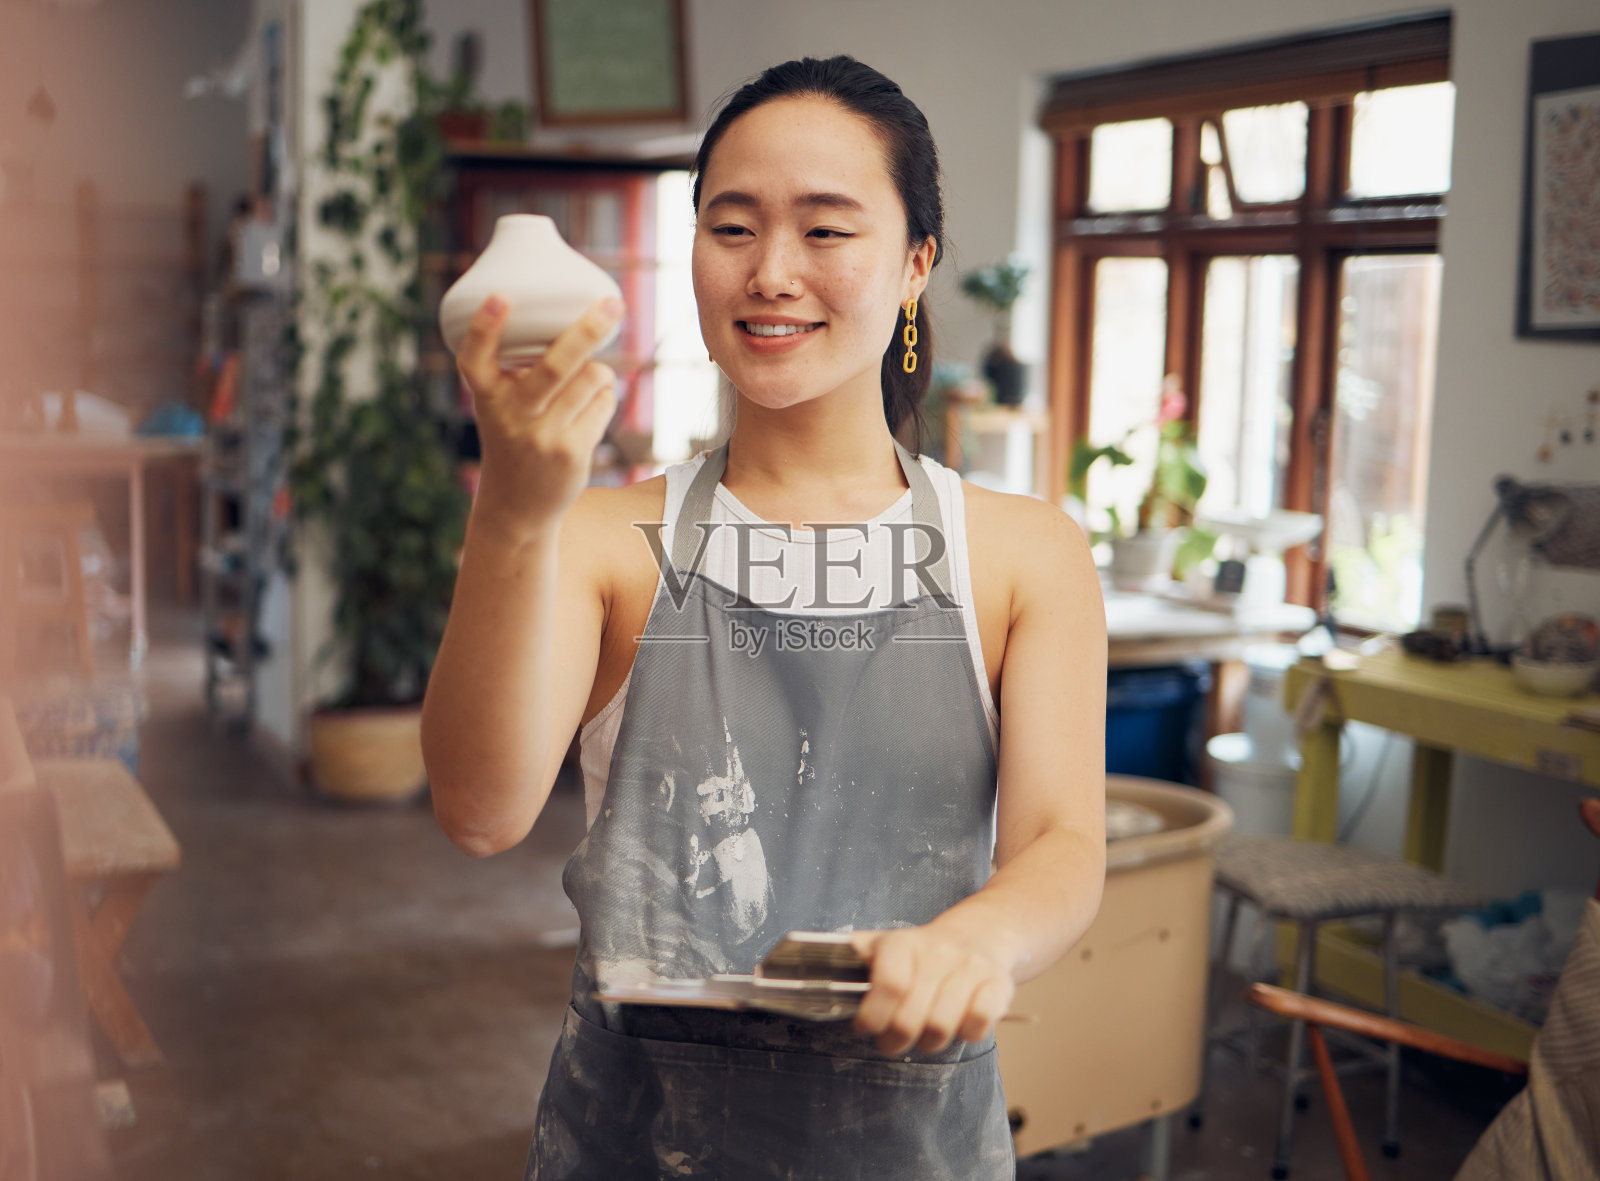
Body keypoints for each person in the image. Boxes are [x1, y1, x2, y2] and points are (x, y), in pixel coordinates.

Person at [421, 55, 1107, 1181]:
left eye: (827, 232)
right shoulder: (599, 539)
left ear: (914, 264)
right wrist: (512, 511)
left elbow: (1060, 846)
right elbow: (479, 810)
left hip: (912, 1148)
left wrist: (976, 938)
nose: (770, 272)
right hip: (630, 1142)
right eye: (731, 228)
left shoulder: (1025, 554)